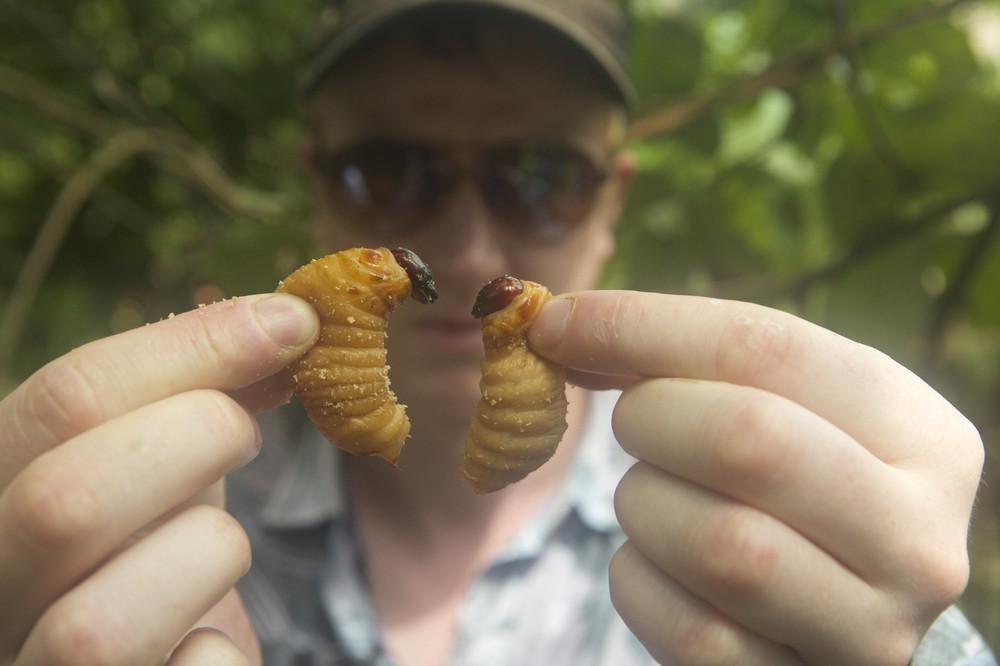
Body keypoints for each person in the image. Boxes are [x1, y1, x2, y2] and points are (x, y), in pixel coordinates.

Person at [0, 1, 995, 664]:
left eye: (540, 177)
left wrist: (924, 645)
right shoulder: (155, 521)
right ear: (316, 186)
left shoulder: (765, 521)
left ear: (613, 204)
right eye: (388, 173)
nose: (470, 249)